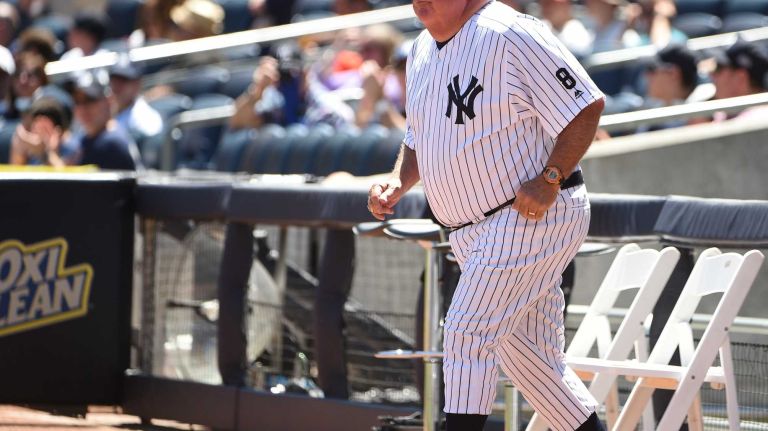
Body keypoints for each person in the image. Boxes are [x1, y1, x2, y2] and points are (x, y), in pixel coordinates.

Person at [366, 1, 606, 430]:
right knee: (535, 368)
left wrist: (550, 178)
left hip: (529, 217)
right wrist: (398, 180)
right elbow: (418, 137)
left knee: (465, 332)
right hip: (471, 231)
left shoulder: (509, 31)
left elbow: (585, 105)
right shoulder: (420, 49)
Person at [68, 70, 141, 170]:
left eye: (90, 100)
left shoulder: (113, 143)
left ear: (108, 101)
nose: (82, 109)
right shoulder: (86, 137)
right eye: (77, 102)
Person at [108, 54, 164, 143]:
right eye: (114, 79)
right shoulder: (104, 111)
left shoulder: (146, 119)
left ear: (137, 84)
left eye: (123, 80)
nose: (116, 86)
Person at [9, 96, 71, 166]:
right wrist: (19, 148)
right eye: (36, 129)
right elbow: (17, 171)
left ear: (59, 131)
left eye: (44, 129)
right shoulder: (31, 153)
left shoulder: (72, 149)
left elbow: (63, 174)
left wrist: (45, 153)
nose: (39, 134)